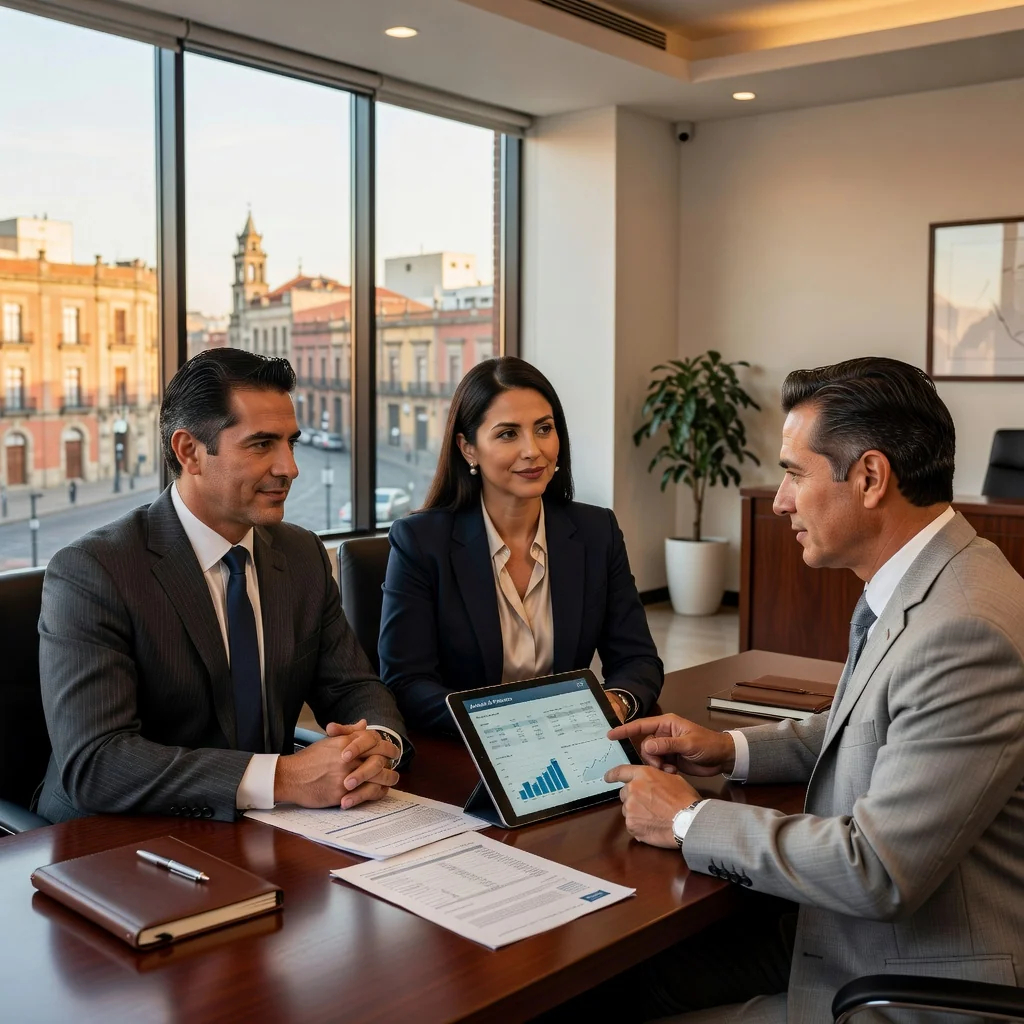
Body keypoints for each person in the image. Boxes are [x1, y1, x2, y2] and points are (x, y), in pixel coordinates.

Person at [602, 357, 1024, 1022]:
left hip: (899, 972)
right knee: (629, 979)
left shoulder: (964, 630)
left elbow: (875, 870)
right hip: (842, 932)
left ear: (870, 477)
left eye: (795, 472)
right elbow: (868, 723)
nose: (778, 500)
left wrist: (686, 819)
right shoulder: (940, 578)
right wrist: (729, 749)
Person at [37, 348, 409, 824]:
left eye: (290, 443)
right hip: (114, 842)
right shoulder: (93, 571)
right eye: (261, 445)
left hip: (266, 830)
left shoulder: (302, 555)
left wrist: (378, 744)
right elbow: (97, 763)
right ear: (189, 451)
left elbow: (355, 687)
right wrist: (285, 777)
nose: (289, 467)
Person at [379, 356, 663, 734]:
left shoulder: (597, 531)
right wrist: (509, 726)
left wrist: (617, 702)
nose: (533, 450)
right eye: (508, 434)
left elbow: (638, 659)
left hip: (571, 747)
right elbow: (407, 683)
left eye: (544, 429)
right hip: (465, 756)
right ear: (468, 449)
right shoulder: (420, 541)